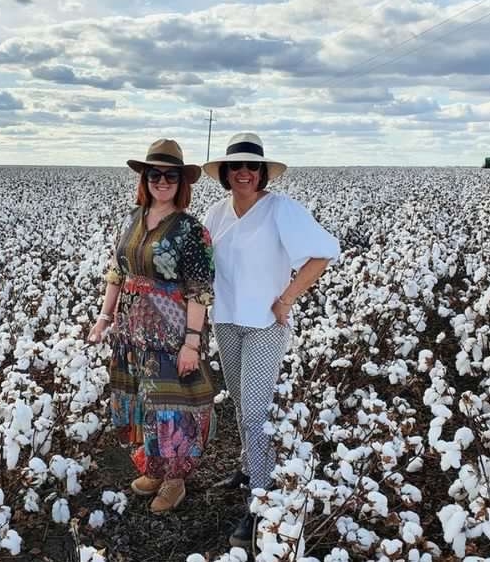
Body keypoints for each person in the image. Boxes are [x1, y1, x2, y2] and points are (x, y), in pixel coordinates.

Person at [202, 132, 340, 546]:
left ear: (262, 173)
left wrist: (287, 299)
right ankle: (251, 467)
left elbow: (324, 252)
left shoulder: (282, 210)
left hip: (264, 326)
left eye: (252, 166)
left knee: (255, 413)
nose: (244, 173)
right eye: (236, 166)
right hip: (225, 321)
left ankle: (261, 505)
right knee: (243, 406)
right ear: (226, 173)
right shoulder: (215, 213)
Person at [87, 139, 215, 514]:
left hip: (170, 333)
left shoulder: (192, 230)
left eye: (170, 175)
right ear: (145, 178)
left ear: (181, 182)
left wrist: (191, 342)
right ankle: (156, 469)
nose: (162, 181)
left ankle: (175, 482)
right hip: (131, 330)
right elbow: (117, 271)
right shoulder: (132, 218)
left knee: (172, 406)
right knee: (144, 401)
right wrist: (104, 317)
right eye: (154, 174)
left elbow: (199, 290)